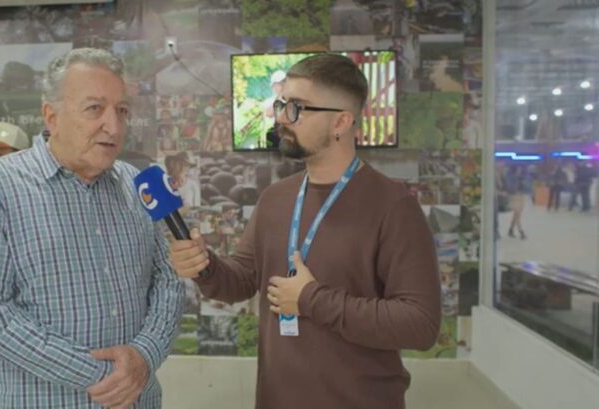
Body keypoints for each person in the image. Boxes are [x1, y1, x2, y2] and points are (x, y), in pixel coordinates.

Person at [169, 53, 441, 409]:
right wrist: (204, 266)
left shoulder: (393, 206)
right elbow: (241, 281)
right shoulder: (275, 198)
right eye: (281, 104)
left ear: (340, 122)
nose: (281, 117)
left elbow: (420, 325)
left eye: (297, 107)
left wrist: (311, 299)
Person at [0, 47, 183, 408]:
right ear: (52, 116)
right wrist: (99, 374)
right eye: (94, 109)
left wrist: (144, 355)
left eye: (122, 111)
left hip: (138, 398)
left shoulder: (134, 182)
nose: (113, 126)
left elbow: (168, 281)